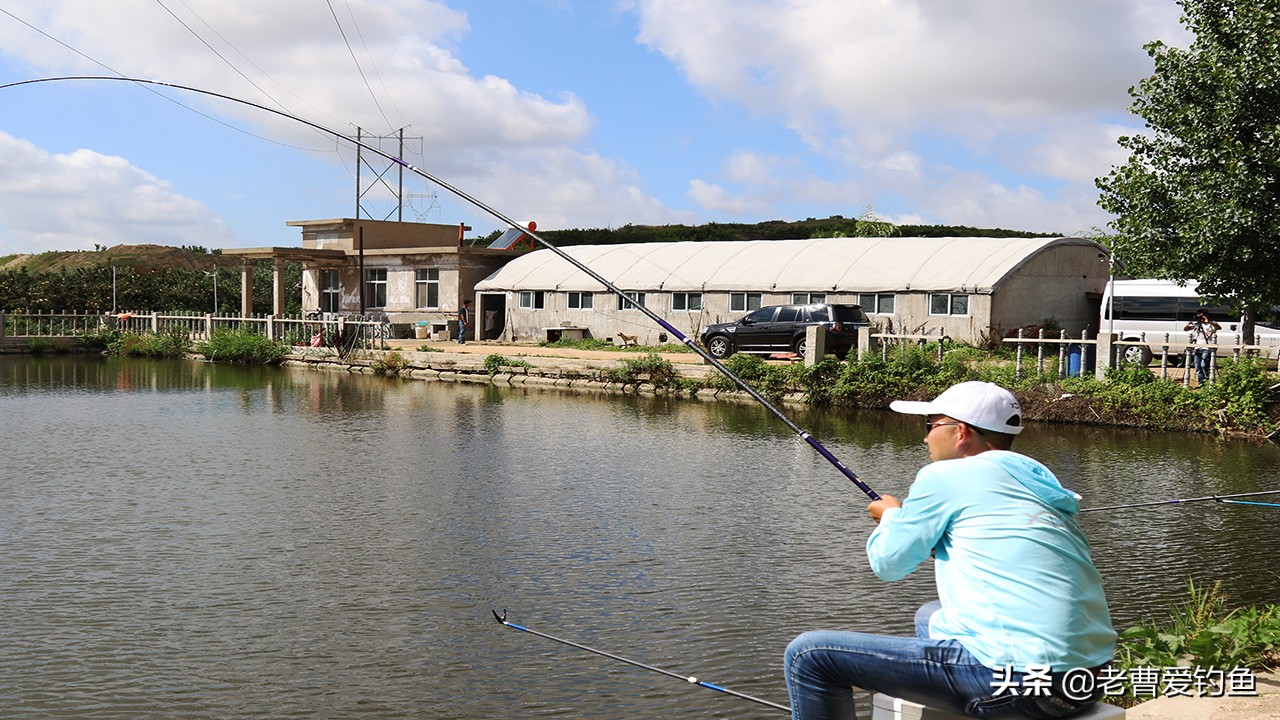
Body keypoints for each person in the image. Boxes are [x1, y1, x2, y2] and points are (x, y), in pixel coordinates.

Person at [784, 381, 1115, 720]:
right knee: (929, 615)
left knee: (808, 656)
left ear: (961, 432)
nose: (925, 437)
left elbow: (889, 564)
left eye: (931, 425)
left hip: (1019, 684)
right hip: (1088, 679)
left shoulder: (944, 475)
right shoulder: (1035, 480)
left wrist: (891, 517)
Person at [1184, 308, 1221, 384]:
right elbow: (1186, 329)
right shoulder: (1197, 325)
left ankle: (1206, 379)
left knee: (1204, 365)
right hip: (1197, 347)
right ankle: (1201, 383)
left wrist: (1208, 321)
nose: (1200, 318)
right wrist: (1188, 324)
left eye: (1202, 315)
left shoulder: (1211, 324)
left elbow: (1219, 327)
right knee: (1198, 366)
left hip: (1207, 347)